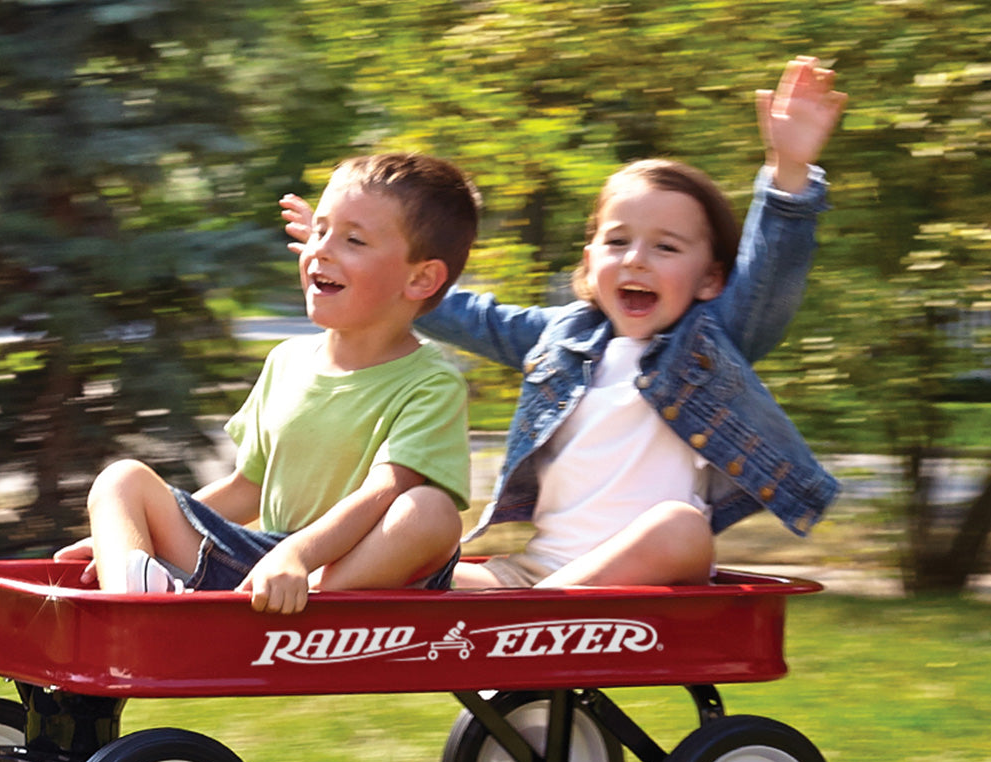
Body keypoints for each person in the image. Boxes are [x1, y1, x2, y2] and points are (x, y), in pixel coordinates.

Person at [280, 55, 846, 589]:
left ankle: (534, 618)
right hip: (536, 572)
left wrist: (788, 172)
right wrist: (369, 264)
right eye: (617, 241)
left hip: (651, 562)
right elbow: (472, 317)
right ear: (589, 258)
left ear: (710, 280)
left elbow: (771, 279)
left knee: (681, 525)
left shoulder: (711, 341)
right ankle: (291, 584)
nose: (635, 260)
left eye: (666, 248)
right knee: (414, 559)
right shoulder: (563, 338)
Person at [55, 152, 481, 613]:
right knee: (122, 481)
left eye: (353, 240)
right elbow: (248, 488)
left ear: (421, 279)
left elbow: (385, 492)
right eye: (319, 231)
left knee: (430, 513)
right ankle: (134, 601)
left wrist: (297, 557)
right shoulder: (287, 362)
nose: (320, 249)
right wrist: (129, 537)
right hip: (264, 565)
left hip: (357, 571)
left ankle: (306, 604)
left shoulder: (430, 382)